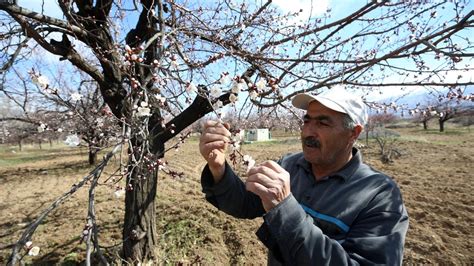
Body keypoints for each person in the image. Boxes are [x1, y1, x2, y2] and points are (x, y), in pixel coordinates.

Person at [198, 88, 409, 265]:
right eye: (307, 121)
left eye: (323, 123)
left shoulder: (379, 196)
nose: (308, 132)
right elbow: (246, 204)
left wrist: (285, 208)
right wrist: (219, 169)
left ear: (353, 133)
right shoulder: (289, 166)